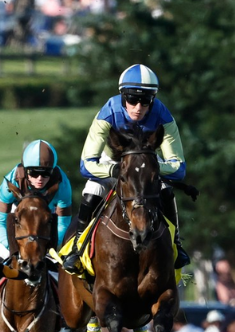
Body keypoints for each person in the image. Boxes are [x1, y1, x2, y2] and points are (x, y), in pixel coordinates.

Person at [62, 64, 189, 274]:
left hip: (146, 166)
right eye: (132, 99)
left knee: (166, 190)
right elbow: (86, 164)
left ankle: (177, 244)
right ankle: (77, 247)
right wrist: (114, 171)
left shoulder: (163, 116)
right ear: (122, 97)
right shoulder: (108, 112)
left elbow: (178, 167)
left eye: (145, 100)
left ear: (153, 100)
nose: (138, 107)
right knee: (92, 190)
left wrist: (152, 168)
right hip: (111, 163)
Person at [0, 139, 73, 264]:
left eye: (46, 173)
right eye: (34, 173)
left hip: (46, 217)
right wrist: (12, 247)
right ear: (25, 170)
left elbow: (63, 222)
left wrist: (48, 246)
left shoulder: (63, 185)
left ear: (52, 170)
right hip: (19, 214)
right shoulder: (12, 181)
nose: (40, 179)